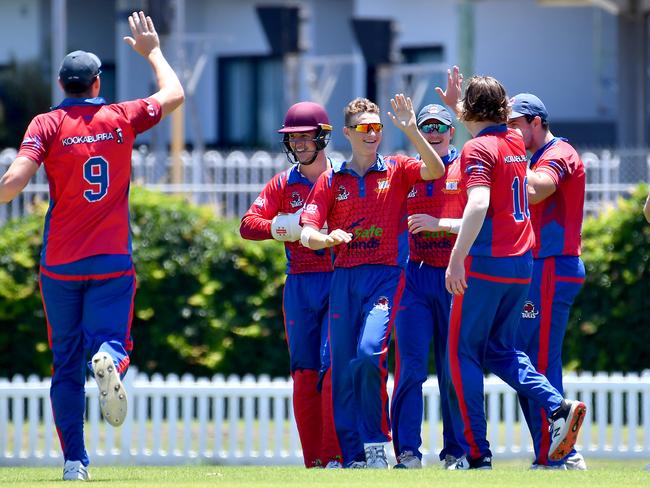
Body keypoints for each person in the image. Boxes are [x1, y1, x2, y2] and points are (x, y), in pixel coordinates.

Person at [0, 11, 184, 480]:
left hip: (60, 264)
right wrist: (153, 52)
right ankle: (109, 358)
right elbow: (174, 94)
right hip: (110, 259)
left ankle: (74, 463)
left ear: (62, 84)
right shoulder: (120, 117)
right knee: (113, 342)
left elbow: (13, 181)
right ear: (97, 83)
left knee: (64, 364)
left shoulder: (46, 124)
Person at [436, 67, 586, 470]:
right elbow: (489, 141)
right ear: (503, 111)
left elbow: (479, 201)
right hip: (522, 265)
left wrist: (454, 260)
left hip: (486, 262)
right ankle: (558, 405)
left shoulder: (481, 148)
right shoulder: (515, 141)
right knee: (501, 350)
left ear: (470, 110)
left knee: (460, 354)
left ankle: (475, 454)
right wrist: (462, 107)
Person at [299, 95, 445, 468]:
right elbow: (308, 231)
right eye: (364, 128)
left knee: (368, 355)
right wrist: (326, 240)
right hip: (344, 279)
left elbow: (435, 170)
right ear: (347, 133)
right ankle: (352, 456)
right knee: (342, 366)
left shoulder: (396, 168)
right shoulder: (332, 180)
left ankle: (377, 442)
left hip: (385, 276)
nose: (372, 134)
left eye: (377, 128)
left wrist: (410, 128)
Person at [239, 101, 341, 469]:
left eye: (304, 136)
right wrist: (281, 226)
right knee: (304, 372)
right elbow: (248, 224)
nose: (297, 143)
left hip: (338, 280)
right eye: (292, 137)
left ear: (321, 136)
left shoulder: (343, 177)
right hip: (299, 283)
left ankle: (334, 457)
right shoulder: (284, 183)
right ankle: (313, 463)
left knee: (333, 369)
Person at [507, 93, 587, 470]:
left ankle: (557, 456)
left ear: (536, 122)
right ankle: (559, 452)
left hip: (554, 264)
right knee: (524, 356)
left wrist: (504, 157)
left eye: (514, 125)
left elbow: (538, 188)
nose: (509, 132)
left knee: (536, 359)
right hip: (539, 266)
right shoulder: (531, 154)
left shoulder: (560, 152)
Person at [389, 103, 464, 469]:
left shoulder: (467, 168)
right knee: (410, 369)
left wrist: (440, 223)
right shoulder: (407, 170)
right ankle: (407, 453)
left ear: (452, 132)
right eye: (426, 126)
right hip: (415, 279)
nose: (433, 132)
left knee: (453, 370)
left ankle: (456, 451)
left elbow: (483, 216)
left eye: (440, 126)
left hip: (455, 276)